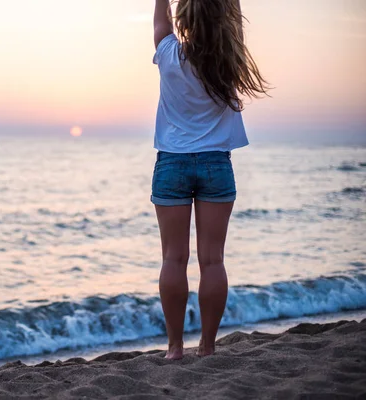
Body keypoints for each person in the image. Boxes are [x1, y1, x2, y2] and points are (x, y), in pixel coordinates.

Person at [151, 0, 268, 360]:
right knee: (213, 261)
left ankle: (174, 348)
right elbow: (232, 20)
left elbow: (159, 21)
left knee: (173, 259)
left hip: (172, 163)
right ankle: (207, 347)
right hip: (217, 164)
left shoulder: (169, 52)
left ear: (184, 18)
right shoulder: (228, 59)